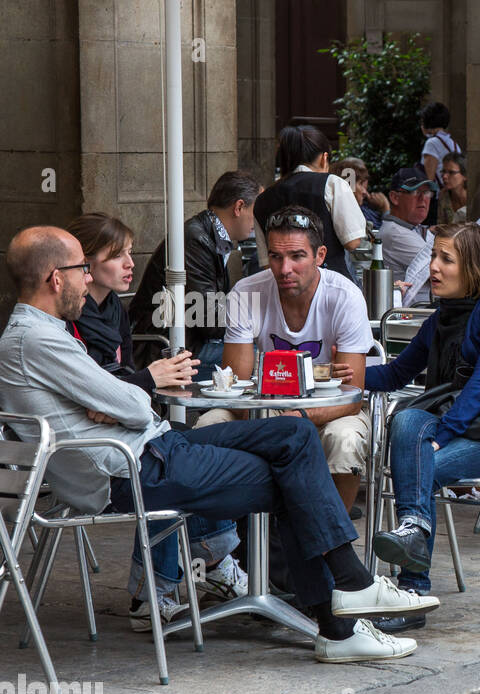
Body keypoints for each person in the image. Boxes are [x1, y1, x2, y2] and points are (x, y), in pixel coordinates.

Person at [1, 226, 440, 662]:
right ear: (56, 278)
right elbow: (134, 405)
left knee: (294, 432)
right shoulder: (37, 339)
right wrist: (140, 386)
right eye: (81, 268)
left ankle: (347, 602)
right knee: (296, 477)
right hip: (134, 470)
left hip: (157, 448)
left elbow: (122, 402)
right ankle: (343, 614)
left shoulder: (42, 332)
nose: (87, 278)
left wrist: (123, 397)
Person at [66, 213, 246, 627]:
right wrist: (142, 383)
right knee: (171, 466)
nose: (132, 263)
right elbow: (97, 395)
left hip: (122, 423)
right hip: (92, 448)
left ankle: (198, 569)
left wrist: (130, 390)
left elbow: (120, 383)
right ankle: (161, 590)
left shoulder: (111, 305)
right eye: (118, 255)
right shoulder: (71, 319)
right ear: (84, 264)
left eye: (130, 252)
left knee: (197, 444)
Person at [367, 223, 480, 632]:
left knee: (416, 460)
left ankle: (412, 590)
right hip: (455, 429)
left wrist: (440, 439)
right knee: (408, 418)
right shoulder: (440, 319)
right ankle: (415, 531)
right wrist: (343, 376)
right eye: (433, 257)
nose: (433, 267)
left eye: (446, 259)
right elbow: (394, 375)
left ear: (473, 266)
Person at [195, 207, 372, 514]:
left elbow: (351, 397)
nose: (284, 268)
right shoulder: (247, 291)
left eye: (297, 256)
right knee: (209, 423)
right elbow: (236, 384)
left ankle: (333, 540)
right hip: (261, 406)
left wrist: (298, 412)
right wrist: (320, 374)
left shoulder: (345, 296)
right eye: (276, 257)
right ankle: (223, 542)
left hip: (326, 409)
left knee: (344, 438)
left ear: (319, 256)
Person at [129, 170, 262, 381]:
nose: (258, 220)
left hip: (187, 340)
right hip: (169, 347)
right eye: (256, 211)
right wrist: (256, 320)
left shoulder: (207, 236)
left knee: (257, 348)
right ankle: (244, 413)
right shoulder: (196, 239)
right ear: (238, 207)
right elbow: (209, 319)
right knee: (260, 355)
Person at [254, 125, 366, 278]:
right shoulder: (333, 183)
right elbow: (352, 242)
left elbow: (267, 262)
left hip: (285, 287)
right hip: (329, 283)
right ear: (324, 158)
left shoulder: (262, 199)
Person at [379, 168, 435, 304]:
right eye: (415, 192)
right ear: (394, 197)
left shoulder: (410, 228)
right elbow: (452, 270)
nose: (423, 198)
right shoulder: (396, 234)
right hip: (415, 314)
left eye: (426, 192)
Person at [331, 157, 390, 229]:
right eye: (361, 183)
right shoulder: (350, 215)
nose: (365, 191)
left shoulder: (366, 205)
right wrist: (385, 208)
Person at [418, 102, 462, 191]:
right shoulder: (452, 143)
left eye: (422, 122)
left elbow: (428, 180)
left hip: (440, 198)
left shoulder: (432, 143)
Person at [436, 153, 470, 225]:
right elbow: (441, 225)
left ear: (465, 175)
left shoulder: (473, 198)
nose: (444, 176)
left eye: (451, 172)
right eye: (443, 171)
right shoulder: (443, 196)